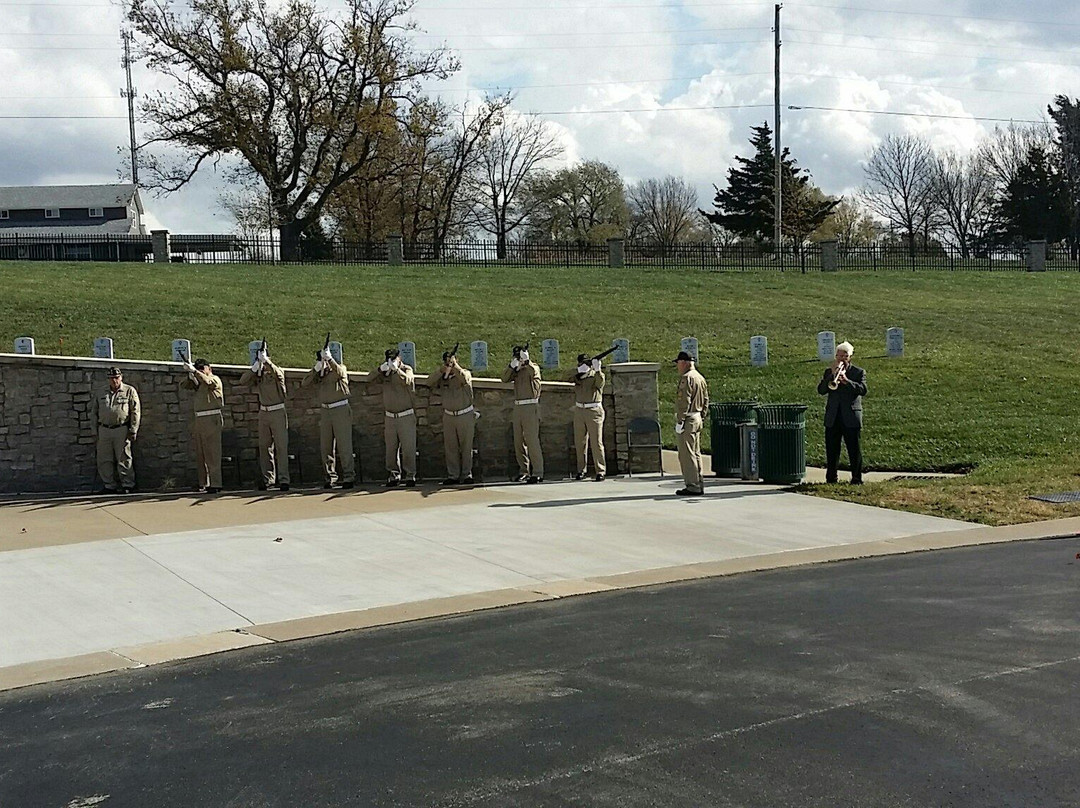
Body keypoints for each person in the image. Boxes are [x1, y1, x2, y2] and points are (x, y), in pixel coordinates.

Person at [301, 345, 355, 489]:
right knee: (326, 446)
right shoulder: (319, 373)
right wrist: (316, 369)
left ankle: (349, 476)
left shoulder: (339, 368)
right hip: (326, 411)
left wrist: (330, 360)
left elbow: (340, 372)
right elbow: (305, 383)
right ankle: (330, 477)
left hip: (340, 409)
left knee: (344, 445)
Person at [238, 343, 290, 492]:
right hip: (264, 412)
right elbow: (243, 380)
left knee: (281, 446)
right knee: (265, 447)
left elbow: (280, 375)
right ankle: (268, 479)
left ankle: (284, 479)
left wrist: (267, 362)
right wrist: (255, 368)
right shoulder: (258, 373)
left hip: (277, 411)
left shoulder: (276, 370)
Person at [817, 340, 867, 485]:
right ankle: (831, 478)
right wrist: (831, 376)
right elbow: (821, 390)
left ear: (850, 357)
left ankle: (857, 479)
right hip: (833, 417)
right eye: (839, 356)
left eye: (844, 356)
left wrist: (847, 381)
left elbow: (863, 390)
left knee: (854, 449)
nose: (841, 359)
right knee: (832, 450)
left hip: (851, 416)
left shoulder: (858, 372)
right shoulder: (829, 371)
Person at [370, 348, 418, 487]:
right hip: (390, 416)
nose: (391, 361)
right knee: (391, 449)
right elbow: (369, 378)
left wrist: (397, 370)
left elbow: (408, 380)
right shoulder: (385, 373)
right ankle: (394, 475)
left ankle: (410, 475)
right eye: (389, 359)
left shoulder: (406, 369)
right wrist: (381, 369)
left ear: (399, 358)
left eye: (393, 358)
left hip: (405, 415)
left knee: (409, 448)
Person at [90, 366, 141, 494]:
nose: (114, 381)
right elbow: (94, 412)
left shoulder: (129, 391)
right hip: (104, 429)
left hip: (121, 429)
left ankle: (128, 484)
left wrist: (133, 429)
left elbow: (136, 411)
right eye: (112, 378)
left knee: (124, 457)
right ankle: (109, 485)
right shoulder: (101, 392)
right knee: (104, 459)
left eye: (117, 378)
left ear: (121, 377)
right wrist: (94, 431)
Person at [431, 347, 476, 485]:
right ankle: (453, 475)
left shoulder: (464, 373)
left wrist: (455, 366)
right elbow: (429, 382)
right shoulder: (443, 377)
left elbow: (465, 378)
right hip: (449, 415)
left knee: (466, 446)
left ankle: (467, 474)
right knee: (450, 447)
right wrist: (442, 371)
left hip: (464, 414)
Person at [181, 357, 224, 494]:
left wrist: (195, 372)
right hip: (199, 419)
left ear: (209, 369)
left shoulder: (214, 379)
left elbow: (208, 381)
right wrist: (190, 374)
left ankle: (216, 483)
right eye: (198, 368)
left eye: (202, 369)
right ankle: (203, 482)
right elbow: (184, 385)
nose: (200, 371)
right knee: (201, 454)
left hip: (212, 418)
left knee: (213, 453)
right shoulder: (197, 381)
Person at [501, 344, 544, 483]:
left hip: (530, 405)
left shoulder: (533, 367)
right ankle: (523, 470)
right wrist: (511, 366)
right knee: (518, 441)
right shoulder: (517, 370)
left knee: (532, 441)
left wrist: (527, 362)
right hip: (518, 406)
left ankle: (537, 471)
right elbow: (504, 378)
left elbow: (534, 373)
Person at [674, 350, 709, 496]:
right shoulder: (700, 377)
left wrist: (680, 420)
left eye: (678, 363)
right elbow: (706, 399)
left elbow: (684, 401)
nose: (678, 367)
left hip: (688, 418)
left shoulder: (687, 378)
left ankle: (692, 485)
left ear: (684, 363)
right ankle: (698, 482)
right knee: (696, 453)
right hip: (697, 416)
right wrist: (703, 415)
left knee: (687, 455)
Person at [571, 352, 606, 481]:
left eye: (585, 363)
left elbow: (600, 383)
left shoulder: (595, 375)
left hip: (593, 410)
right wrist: (579, 371)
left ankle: (600, 470)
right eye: (581, 363)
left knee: (596, 442)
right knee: (580, 442)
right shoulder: (578, 375)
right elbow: (566, 377)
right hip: (580, 409)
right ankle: (581, 470)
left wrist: (598, 370)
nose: (583, 365)